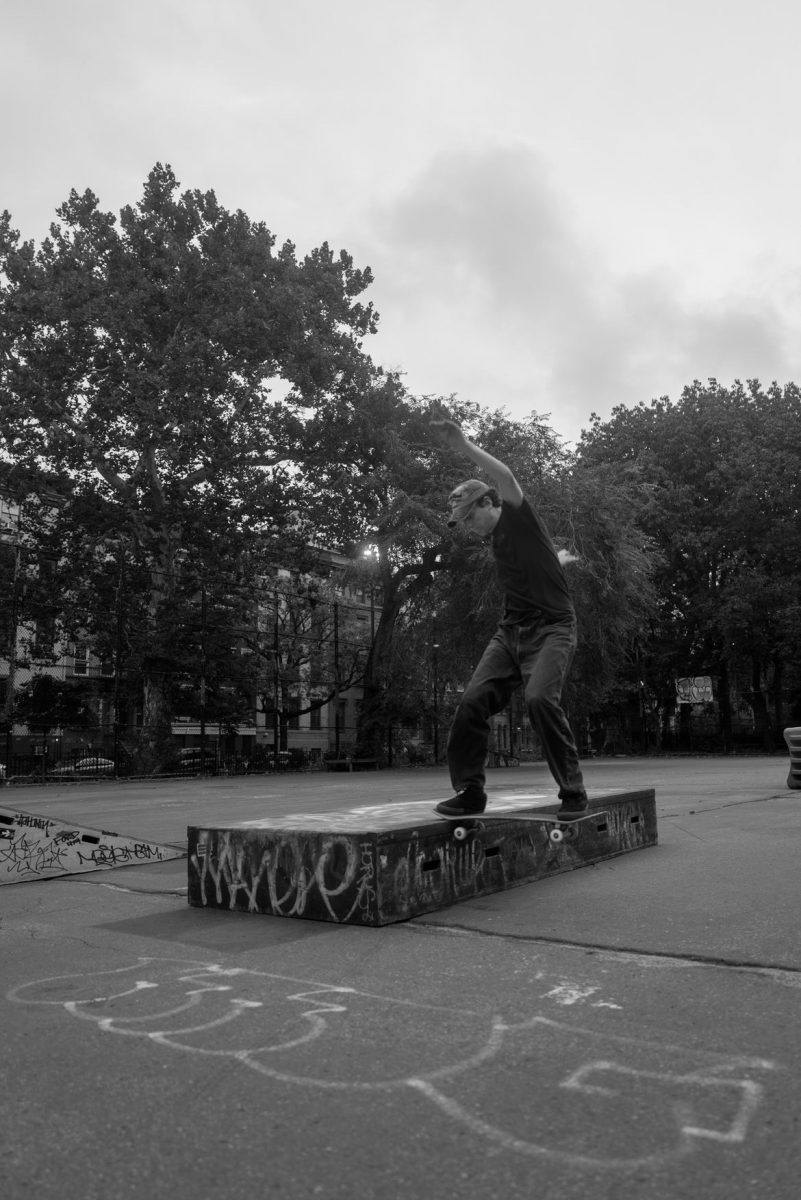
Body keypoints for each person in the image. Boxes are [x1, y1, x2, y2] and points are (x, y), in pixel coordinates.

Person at [431, 418, 587, 818]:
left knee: (539, 700)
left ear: (488, 503)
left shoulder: (516, 514)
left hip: (552, 627)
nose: (468, 526)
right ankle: (470, 792)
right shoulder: (499, 541)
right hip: (510, 633)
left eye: (470, 516)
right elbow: (538, 559)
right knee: (470, 703)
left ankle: (572, 791)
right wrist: (560, 560)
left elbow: (506, 475)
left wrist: (463, 443)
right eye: (462, 522)